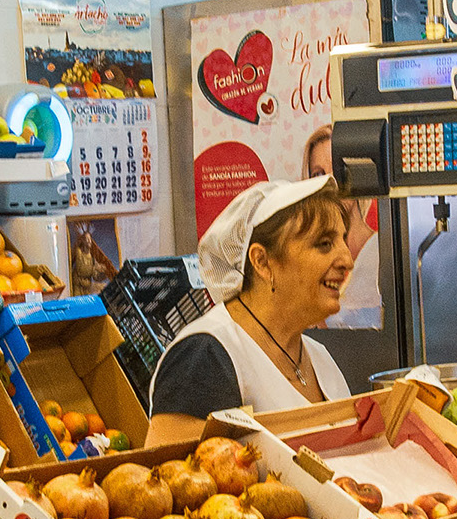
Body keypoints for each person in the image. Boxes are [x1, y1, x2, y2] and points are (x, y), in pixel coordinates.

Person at [141, 176, 351, 445]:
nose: (347, 260)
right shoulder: (204, 358)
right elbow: (172, 478)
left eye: (344, 241)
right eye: (324, 244)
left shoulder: (320, 359)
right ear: (262, 262)